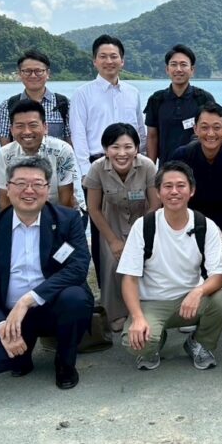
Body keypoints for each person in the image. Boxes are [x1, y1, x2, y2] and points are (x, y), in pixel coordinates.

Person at [0, 157, 94, 390]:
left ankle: (65, 362)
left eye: (37, 184)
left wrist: (28, 300)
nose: (29, 190)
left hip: (50, 306)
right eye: (21, 183)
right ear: (8, 188)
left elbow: (77, 267)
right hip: (7, 314)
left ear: (47, 188)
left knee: (76, 298)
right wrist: (0, 325)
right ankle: (21, 352)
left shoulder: (68, 220)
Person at [118, 161, 222, 371]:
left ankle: (199, 343)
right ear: (158, 192)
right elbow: (129, 278)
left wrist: (199, 291)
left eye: (181, 186)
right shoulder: (144, 226)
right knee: (137, 344)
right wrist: (137, 317)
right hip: (152, 301)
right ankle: (155, 340)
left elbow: (218, 275)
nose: (174, 192)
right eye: (167, 186)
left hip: (191, 300)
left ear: (192, 191)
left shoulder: (205, 225)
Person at [69, 35, 147, 285]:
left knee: (136, 222)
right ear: (94, 61)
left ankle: (138, 284)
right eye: (103, 56)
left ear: (122, 61)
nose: (109, 61)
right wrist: (84, 173)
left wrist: (141, 162)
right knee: (101, 228)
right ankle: (106, 286)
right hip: (97, 166)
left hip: (132, 166)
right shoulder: (82, 94)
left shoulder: (133, 92)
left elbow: (140, 132)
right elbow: (78, 135)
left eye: (114, 56)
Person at [170, 103, 222, 329]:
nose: (210, 133)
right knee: (192, 261)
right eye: (204, 127)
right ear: (195, 129)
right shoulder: (183, 154)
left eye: (217, 127)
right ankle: (193, 309)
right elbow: (175, 194)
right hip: (194, 218)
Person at [83, 123, 160, 331]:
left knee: (145, 262)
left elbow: (155, 205)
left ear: (137, 148)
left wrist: (138, 236)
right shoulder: (97, 168)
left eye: (128, 147)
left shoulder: (147, 166)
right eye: (115, 147)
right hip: (111, 222)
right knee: (112, 262)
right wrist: (113, 240)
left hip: (143, 221)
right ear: (106, 149)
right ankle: (115, 312)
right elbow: (93, 208)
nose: (122, 153)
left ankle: (147, 309)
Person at [0, 100, 76, 211]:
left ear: (45, 127)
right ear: (11, 130)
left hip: (57, 214)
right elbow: (4, 201)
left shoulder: (62, 150)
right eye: (20, 126)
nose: (27, 132)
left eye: (33, 125)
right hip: (21, 216)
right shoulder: (4, 154)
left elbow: (66, 200)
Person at [144, 44, 216, 165]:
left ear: (192, 70)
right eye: (173, 64)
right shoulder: (156, 99)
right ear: (167, 69)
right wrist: (151, 170)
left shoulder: (203, 98)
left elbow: (211, 133)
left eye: (183, 65)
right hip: (166, 167)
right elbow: (152, 136)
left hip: (199, 167)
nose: (178, 69)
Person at [0, 49, 73, 144]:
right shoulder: (8, 106)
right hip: (20, 159)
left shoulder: (64, 104)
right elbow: (5, 148)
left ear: (48, 74)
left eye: (38, 71)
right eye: (27, 71)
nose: (33, 75)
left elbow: (70, 143)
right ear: (20, 74)